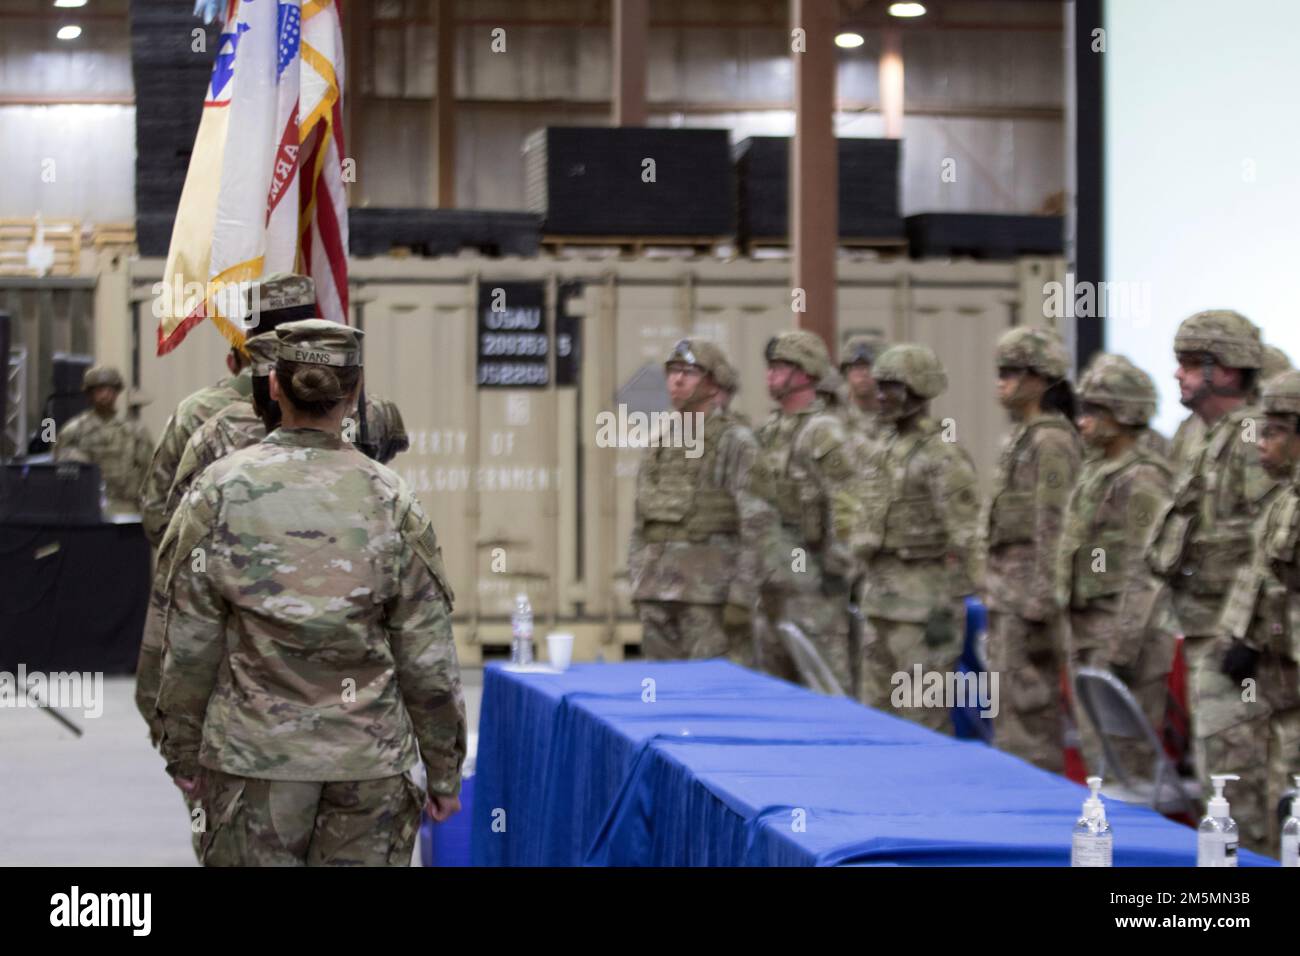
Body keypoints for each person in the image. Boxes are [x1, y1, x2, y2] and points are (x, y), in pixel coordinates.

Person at [154, 319, 465, 866]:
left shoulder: (218, 491)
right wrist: (444, 770)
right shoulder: (393, 499)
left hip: (255, 762)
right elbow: (427, 654)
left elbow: (189, 641)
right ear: (356, 390)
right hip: (367, 768)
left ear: (273, 386)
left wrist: (182, 752)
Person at [1147, 311, 1279, 785]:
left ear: (1223, 370)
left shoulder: (1251, 439)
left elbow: (1269, 545)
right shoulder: (1207, 438)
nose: (1176, 374)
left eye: (1187, 363)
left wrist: (1244, 636)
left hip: (1239, 643)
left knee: (1236, 782)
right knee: (1217, 777)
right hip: (1206, 630)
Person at [1057, 354, 1176, 775]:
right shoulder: (1098, 471)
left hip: (1124, 639)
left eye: (1095, 411)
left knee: (1126, 763)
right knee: (1098, 760)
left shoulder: (1143, 479)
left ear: (1124, 414)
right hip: (1089, 632)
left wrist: (1122, 650)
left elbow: (1149, 571)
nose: (1082, 422)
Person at [139, 273, 317, 546]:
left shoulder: (197, 413)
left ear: (248, 338)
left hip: (226, 583)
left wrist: (215, 566)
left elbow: (158, 516)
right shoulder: (345, 410)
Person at [628, 339, 777, 663]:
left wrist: (741, 595)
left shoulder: (736, 442)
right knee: (664, 697)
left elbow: (760, 525)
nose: (677, 381)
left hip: (710, 600)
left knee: (712, 698)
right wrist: (638, 582)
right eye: (672, 372)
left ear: (714, 384)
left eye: (689, 372)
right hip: (657, 595)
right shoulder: (660, 441)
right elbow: (642, 522)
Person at [857, 344, 980, 731]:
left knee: (921, 722)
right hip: (879, 605)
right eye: (879, 387)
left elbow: (968, 537)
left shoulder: (942, 456)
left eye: (890, 388)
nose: (880, 397)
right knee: (877, 719)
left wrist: (949, 605)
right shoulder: (882, 449)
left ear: (916, 390)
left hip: (923, 611)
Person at [1204, 369, 1300, 855]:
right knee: (1281, 807)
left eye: (1277, 432)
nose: (1261, 443)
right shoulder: (1283, 501)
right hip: (1280, 687)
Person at [982, 326, 1083, 772]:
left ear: (1041, 377)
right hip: (1009, 596)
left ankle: (1037, 814)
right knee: (1009, 713)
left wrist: (1042, 602)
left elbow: (1056, 525)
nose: (1001, 381)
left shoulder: (1052, 441)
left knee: (1028, 715)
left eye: (1012, 371)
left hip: (1028, 604)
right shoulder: (1024, 438)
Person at [755, 330, 872, 695]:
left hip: (815, 594)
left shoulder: (823, 431)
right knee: (776, 698)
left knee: (826, 694)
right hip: (772, 592)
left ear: (805, 373)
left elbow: (849, 505)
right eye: (770, 367)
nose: (770, 375)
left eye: (780, 367)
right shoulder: (770, 430)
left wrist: (840, 576)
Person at [53, 365, 152, 517]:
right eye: (99, 390)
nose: (104, 395)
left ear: (117, 392)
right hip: (84, 509)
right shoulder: (73, 431)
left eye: (109, 390)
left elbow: (149, 472)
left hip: (127, 507)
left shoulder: (135, 431)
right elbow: (58, 472)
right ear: (90, 394)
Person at [839, 332, 886, 445]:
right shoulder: (835, 414)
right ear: (847, 372)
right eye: (857, 366)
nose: (864, 373)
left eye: (870, 366)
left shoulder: (894, 414)